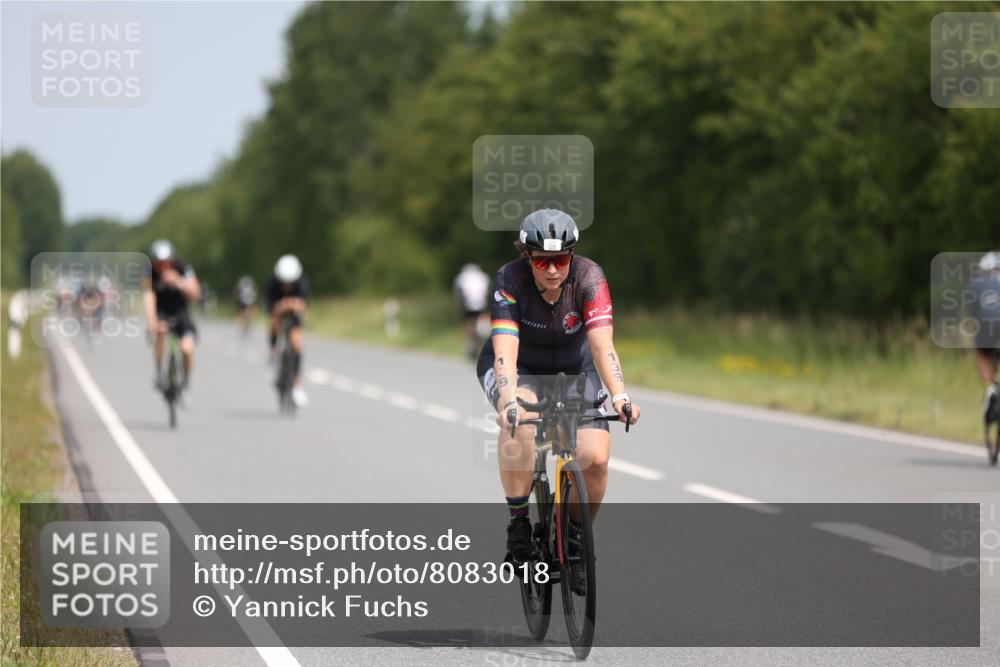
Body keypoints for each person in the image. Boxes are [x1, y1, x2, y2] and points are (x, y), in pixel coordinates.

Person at [476, 209, 641, 589]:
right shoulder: (509, 279)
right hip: (521, 367)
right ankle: (519, 525)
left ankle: (576, 541)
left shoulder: (589, 277)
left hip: (574, 368)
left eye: (561, 259)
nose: (552, 270)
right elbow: (505, 351)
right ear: (528, 257)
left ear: (572, 256)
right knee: (519, 419)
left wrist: (620, 396)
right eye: (543, 260)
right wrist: (509, 400)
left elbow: (603, 346)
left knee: (596, 458)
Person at [142, 240, 201, 391]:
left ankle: (186, 380)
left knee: (187, 348)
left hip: (180, 310)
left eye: (166, 263)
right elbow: (148, 296)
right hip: (161, 309)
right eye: (159, 264)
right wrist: (151, 320)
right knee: (160, 330)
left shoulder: (183, 268)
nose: (163, 267)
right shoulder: (149, 272)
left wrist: (178, 281)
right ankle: (159, 370)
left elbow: (195, 294)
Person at [266, 255, 310, 408]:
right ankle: (273, 354)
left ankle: (297, 383)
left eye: (290, 283)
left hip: (293, 314)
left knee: (297, 342)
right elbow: (272, 309)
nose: (287, 286)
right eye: (284, 283)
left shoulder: (302, 283)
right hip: (277, 310)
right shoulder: (272, 283)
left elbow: (302, 306)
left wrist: (289, 305)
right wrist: (282, 307)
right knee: (274, 324)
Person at [970, 251, 1000, 421]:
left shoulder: (977, 283)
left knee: (983, 353)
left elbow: (975, 317)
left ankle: (990, 388)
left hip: (988, 325)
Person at [453, 263, 491, 359]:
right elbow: (488, 292)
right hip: (482, 304)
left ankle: (470, 346)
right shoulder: (483, 277)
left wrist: (459, 308)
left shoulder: (461, 278)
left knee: (468, 324)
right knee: (480, 325)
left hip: (468, 304)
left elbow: (459, 294)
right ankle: (480, 343)